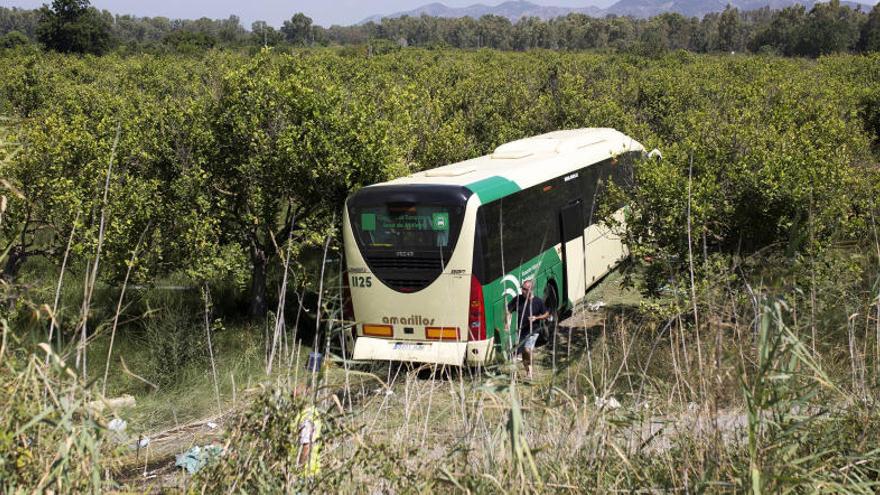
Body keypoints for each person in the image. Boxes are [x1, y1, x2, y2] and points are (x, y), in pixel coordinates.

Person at [505, 279, 550, 379]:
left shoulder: (538, 301)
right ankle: (528, 373)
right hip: (521, 331)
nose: (522, 291)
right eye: (522, 288)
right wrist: (507, 322)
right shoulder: (518, 299)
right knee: (523, 353)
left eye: (524, 289)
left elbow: (547, 314)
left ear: (530, 290)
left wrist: (536, 318)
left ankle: (529, 372)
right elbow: (509, 310)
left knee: (526, 349)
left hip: (534, 330)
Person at [291, 384, 323, 477]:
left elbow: (307, 446)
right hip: (311, 469)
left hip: (305, 473)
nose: (293, 401)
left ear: (302, 398)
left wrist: (298, 469)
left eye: (295, 397)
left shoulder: (307, 417)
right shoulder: (311, 412)